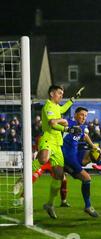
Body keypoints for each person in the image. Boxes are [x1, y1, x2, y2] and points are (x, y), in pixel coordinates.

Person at [30, 85, 84, 219]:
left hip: (57, 143)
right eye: (59, 93)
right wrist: (68, 129)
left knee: (59, 175)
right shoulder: (48, 106)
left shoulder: (56, 107)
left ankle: (49, 204)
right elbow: (53, 123)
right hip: (48, 138)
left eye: (62, 94)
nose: (61, 96)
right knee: (43, 159)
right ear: (51, 94)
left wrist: (73, 99)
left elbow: (63, 109)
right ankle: (25, 174)